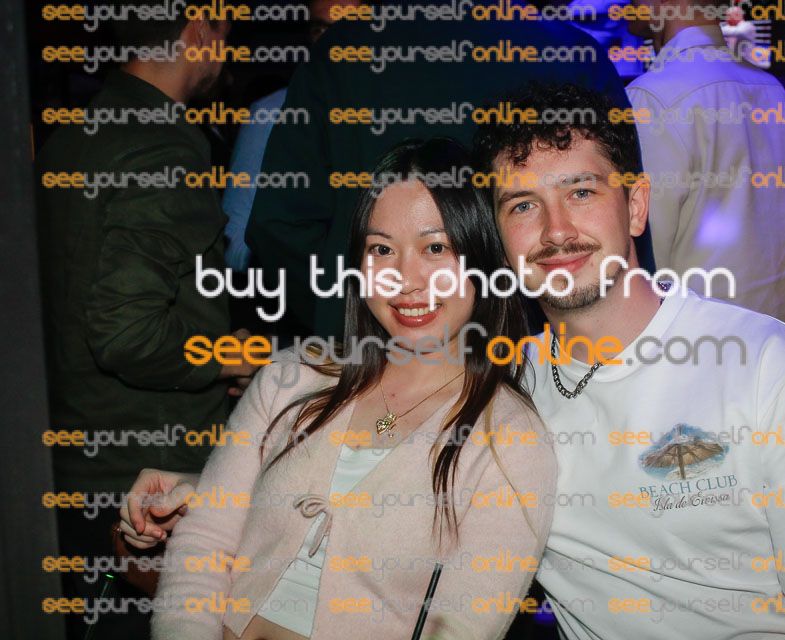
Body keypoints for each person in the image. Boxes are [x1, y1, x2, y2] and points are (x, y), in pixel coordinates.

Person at [472, 82, 785, 639]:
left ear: (635, 206)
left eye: (581, 192)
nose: (556, 231)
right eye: (524, 205)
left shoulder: (769, 370)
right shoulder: (504, 390)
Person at [130, 139, 557, 639]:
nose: (405, 279)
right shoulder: (292, 377)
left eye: (435, 248)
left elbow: (459, 627)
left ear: (483, 257)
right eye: (382, 249)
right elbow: (205, 542)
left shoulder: (509, 441)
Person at [34, 4, 258, 638]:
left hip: (77, 465)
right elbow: (125, 332)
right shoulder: (162, 145)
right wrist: (230, 358)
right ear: (199, 29)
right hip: (144, 488)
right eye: (225, 32)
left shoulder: (74, 133)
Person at [245, 0, 653, 338]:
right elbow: (621, 220)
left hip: (374, 351)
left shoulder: (340, 52)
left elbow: (278, 225)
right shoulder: (571, 51)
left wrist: (347, 314)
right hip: (527, 350)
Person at [624, 0, 785, 325]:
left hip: (690, 343)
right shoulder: (774, 92)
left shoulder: (653, 97)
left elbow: (641, 266)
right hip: (775, 340)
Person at [222, 0, 361, 271]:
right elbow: (232, 239)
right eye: (320, 30)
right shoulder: (270, 114)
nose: (331, 44)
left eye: (349, 27)